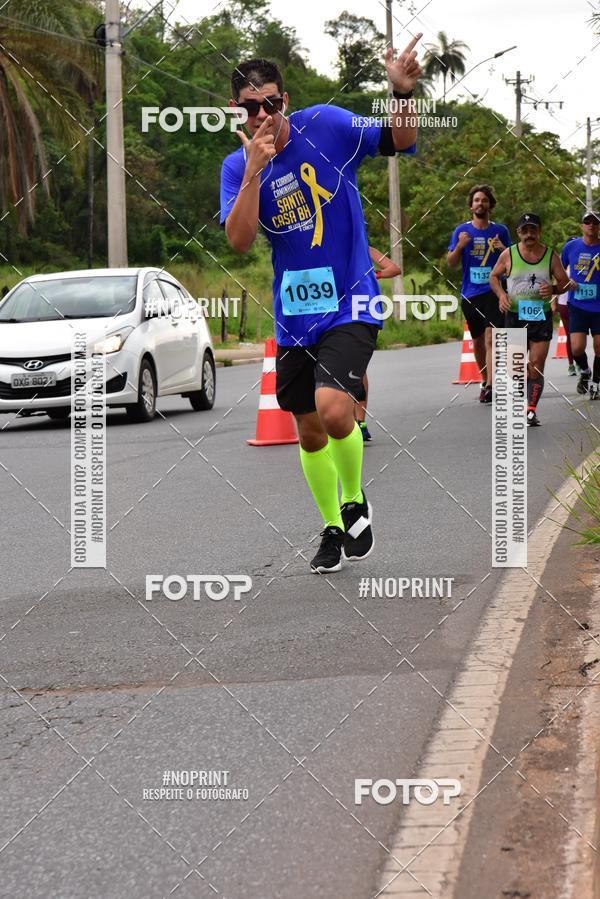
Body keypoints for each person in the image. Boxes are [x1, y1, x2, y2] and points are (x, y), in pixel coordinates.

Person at [220, 45, 422, 573]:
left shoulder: (328, 126)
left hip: (352, 300)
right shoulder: (238, 165)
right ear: (237, 111)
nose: (260, 116)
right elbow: (239, 241)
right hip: (295, 314)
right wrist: (254, 173)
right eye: (248, 107)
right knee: (308, 431)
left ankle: (354, 499)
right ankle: (333, 526)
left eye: (268, 104)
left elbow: (399, 139)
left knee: (336, 410)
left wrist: (402, 92)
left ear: (285, 100)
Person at [489, 213, 573, 426]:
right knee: (513, 368)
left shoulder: (550, 256)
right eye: (524, 230)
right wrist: (501, 295)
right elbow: (493, 276)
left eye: (533, 230)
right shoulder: (508, 254)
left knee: (536, 365)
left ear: (539, 231)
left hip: (540, 316)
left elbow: (565, 283)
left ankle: (530, 411)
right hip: (515, 315)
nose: (529, 235)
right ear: (518, 233)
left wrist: (553, 288)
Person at [447, 185, 511, 403]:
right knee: (478, 341)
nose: (480, 204)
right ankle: (485, 380)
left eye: (484, 200)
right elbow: (451, 263)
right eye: (476, 200)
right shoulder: (461, 231)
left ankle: (493, 385)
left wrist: (502, 248)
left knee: (491, 337)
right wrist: (460, 246)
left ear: (490, 204)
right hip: (470, 294)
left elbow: (512, 265)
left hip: (495, 291)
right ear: (471, 205)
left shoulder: (500, 231)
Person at [353, 246, 403, 442]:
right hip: (338, 312)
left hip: (365, 312)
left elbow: (394, 269)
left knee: (357, 367)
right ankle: (351, 422)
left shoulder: (365, 249)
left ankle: (360, 422)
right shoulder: (331, 248)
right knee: (348, 367)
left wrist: (375, 275)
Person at [560, 212, 600, 399]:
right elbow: (558, 271)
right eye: (587, 222)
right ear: (581, 225)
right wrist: (567, 281)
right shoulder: (571, 247)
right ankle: (585, 371)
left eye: (595, 222)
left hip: (599, 306)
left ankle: (597, 382)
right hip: (577, 305)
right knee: (576, 347)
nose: (591, 225)